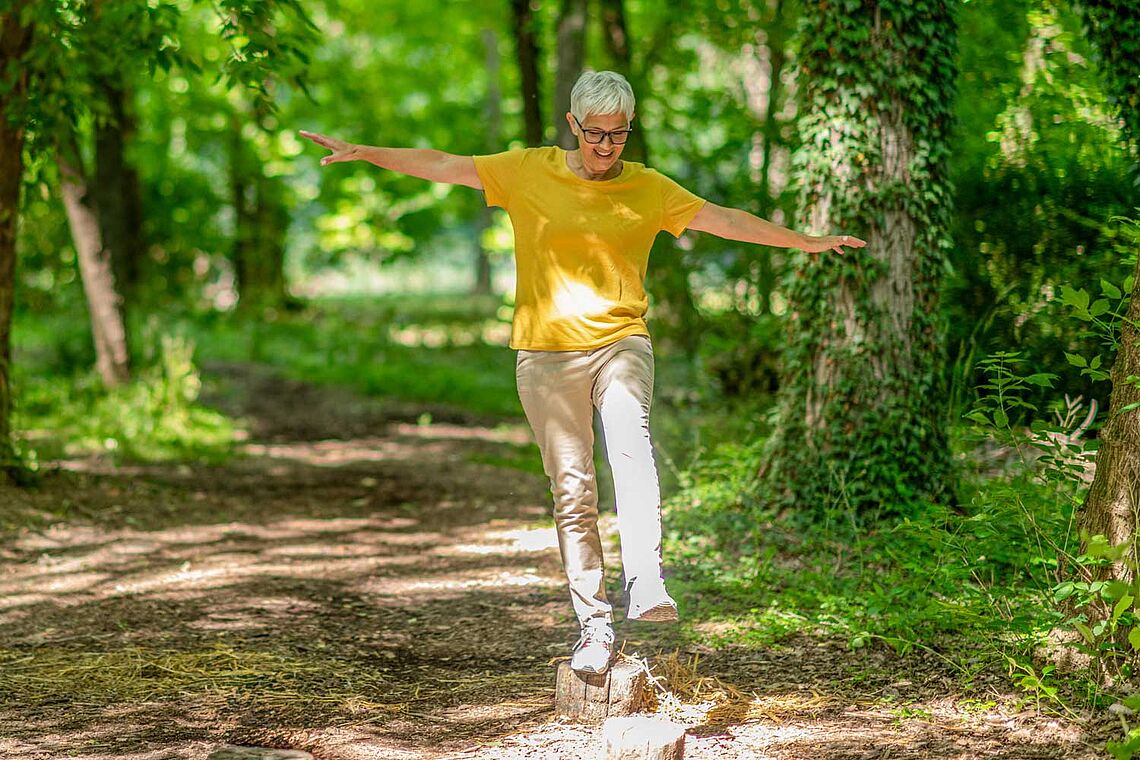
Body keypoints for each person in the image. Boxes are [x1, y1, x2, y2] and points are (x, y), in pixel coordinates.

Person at [300, 70, 865, 676]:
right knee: (573, 490)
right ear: (573, 125)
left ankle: (647, 583)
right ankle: (594, 625)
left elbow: (724, 219)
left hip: (621, 342)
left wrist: (804, 243)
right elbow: (443, 163)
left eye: (619, 135)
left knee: (631, 447)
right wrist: (364, 154)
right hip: (545, 356)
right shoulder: (527, 171)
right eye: (595, 134)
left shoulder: (648, 188)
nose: (606, 147)